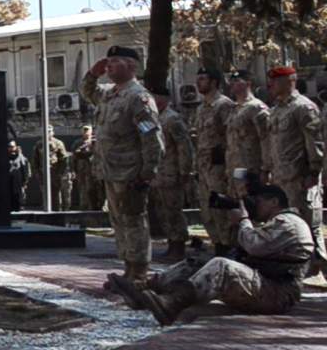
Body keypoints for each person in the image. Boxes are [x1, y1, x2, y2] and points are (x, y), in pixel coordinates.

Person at [137, 185, 314, 325]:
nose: (255, 205)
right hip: (265, 285)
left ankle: (172, 304)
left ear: (274, 202)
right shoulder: (275, 223)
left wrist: (243, 221)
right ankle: (149, 290)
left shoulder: (290, 222)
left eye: (258, 201)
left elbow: (255, 246)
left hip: (278, 294)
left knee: (221, 266)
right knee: (198, 263)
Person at [81, 46, 163, 288]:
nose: (110, 67)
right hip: (110, 171)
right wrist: (92, 74)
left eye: (115, 62)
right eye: (109, 62)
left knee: (135, 221)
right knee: (119, 222)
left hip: (131, 172)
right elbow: (88, 92)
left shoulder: (139, 97)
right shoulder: (109, 94)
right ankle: (127, 269)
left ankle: (140, 273)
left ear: (132, 67)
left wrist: (147, 173)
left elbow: (152, 138)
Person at [264, 66, 325, 273]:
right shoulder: (277, 109)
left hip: (300, 179)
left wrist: (313, 172)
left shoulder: (303, 107)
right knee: (290, 227)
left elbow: (314, 143)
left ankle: (322, 266)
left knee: (309, 226)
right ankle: (302, 269)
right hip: (282, 179)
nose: (270, 85)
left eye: (275, 80)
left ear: (289, 80)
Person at [194, 67, 236, 254]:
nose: (198, 82)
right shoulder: (201, 107)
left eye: (203, 79)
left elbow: (231, 137)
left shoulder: (224, 105)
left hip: (219, 166)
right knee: (206, 209)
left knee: (220, 209)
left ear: (214, 82)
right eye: (198, 78)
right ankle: (217, 243)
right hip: (204, 167)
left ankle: (227, 246)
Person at [151, 84, 194, 261]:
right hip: (156, 174)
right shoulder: (152, 118)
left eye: (157, 97)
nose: (153, 101)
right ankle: (171, 244)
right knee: (162, 212)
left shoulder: (172, 119)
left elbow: (184, 147)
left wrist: (185, 171)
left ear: (165, 99)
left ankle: (178, 247)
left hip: (171, 172)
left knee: (173, 211)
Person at [227, 69, 269, 190]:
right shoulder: (234, 108)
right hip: (235, 167)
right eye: (231, 81)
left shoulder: (256, 107)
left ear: (248, 83)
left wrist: (265, 169)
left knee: (250, 201)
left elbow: (265, 139)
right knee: (238, 203)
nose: (232, 84)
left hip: (251, 167)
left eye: (236, 81)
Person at [33, 126, 71, 211]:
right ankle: (46, 211)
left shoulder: (58, 143)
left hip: (55, 172)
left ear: (52, 132)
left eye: (49, 131)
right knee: (45, 194)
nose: (48, 133)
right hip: (43, 173)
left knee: (56, 194)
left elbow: (63, 159)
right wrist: (38, 173)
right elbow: (36, 160)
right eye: (46, 131)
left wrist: (60, 173)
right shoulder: (39, 144)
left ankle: (57, 211)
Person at [72, 126, 104, 211]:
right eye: (84, 131)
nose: (86, 132)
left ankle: (101, 207)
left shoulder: (98, 141)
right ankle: (87, 208)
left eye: (88, 130)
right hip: (85, 171)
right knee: (86, 190)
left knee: (100, 190)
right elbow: (76, 154)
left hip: (99, 170)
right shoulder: (79, 143)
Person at [8, 140, 31, 212]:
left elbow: (26, 170)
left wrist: (25, 182)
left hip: (18, 183)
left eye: (12, 147)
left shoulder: (22, 158)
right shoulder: (4, 157)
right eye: (9, 147)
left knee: (19, 199)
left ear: (16, 147)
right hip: (8, 183)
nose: (10, 148)